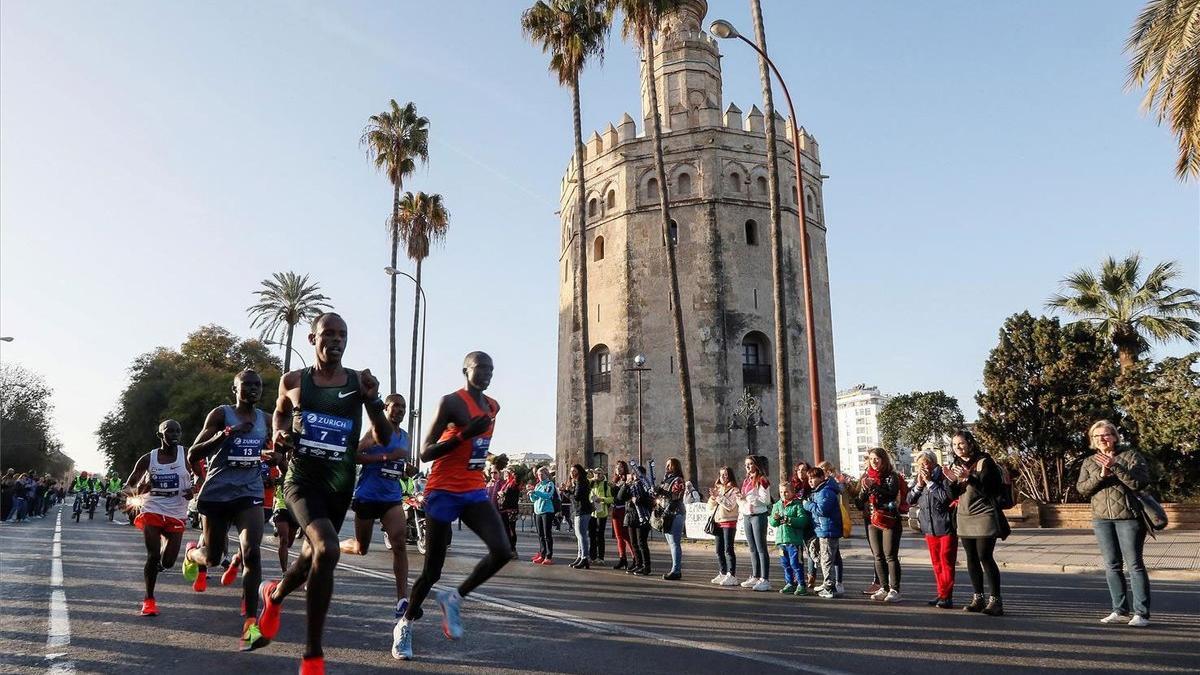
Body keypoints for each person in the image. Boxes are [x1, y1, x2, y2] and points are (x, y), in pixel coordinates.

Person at [255, 313, 393, 675]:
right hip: (301, 481)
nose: (336, 340)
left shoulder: (357, 382)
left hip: (339, 485)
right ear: (312, 338)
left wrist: (373, 400)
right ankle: (313, 653)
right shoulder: (293, 381)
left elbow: (384, 438)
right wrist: (280, 434)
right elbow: (279, 416)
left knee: (308, 559)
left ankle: (274, 596)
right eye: (328, 333)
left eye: (342, 335)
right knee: (328, 547)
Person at [395, 351, 514, 661]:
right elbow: (424, 453)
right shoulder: (451, 402)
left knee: (502, 550)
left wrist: (482, 456)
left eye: (491, 368)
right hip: (443, 491)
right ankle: (405, 624)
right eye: (480, 367)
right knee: (432, 570)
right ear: (466, 370)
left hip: (473, 489)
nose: (487, 373)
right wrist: (464, 435)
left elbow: (479, 446)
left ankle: (454, 598)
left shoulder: (493, 406)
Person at [183, 369, 276, 650]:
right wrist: (225, 435)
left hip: (249, 492)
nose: (252, 389)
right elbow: (193, 453)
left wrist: (276, 455)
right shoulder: (221, 415)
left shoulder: (266, 420)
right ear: (234, 388)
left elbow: (279, 448)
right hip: (217, 493)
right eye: (246, 385)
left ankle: (250, 624)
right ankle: (191, 554)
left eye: (256, 385)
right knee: (212, 557)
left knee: (252, 551)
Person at [337, 392, 415, 655]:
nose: (400, 410)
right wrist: (385, 457)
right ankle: (336, 546)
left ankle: (402, 599)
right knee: (361, 548)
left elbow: (398, 463)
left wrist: (406, 469)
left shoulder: (404, 435)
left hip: (392, 497)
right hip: (368, 495)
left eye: (404, 407)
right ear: (386, 408)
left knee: (400, 543)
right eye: (396, 407)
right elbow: (354, 456)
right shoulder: (374, 432)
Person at [1077, 420, 1152, 627]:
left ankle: (1141, 614)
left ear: (1115, 437)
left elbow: (1140, 482)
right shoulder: (1089, 462)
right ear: (1092, 440)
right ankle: (1119, 610)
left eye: (1106, 435)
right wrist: (1101, 475)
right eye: (1097, 436)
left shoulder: (1131, 456)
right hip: (1102, 519)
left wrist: (1115, 467)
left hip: (1129, 518)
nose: (1102, 439)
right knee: (1112, 565)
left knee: (1135, 565)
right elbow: (1082, 489)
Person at [124, 420, 195, 616]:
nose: (174, 434)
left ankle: (189, 554)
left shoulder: (187, 455)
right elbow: (128, 487)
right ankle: (149, 600)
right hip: (152, 508)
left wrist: (195, 489)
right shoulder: (148, 459)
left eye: (178, 431)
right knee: (153, 555)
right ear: (160, 435)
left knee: (168, 562)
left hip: (177, 510)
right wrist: (140, 489)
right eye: (169, 431)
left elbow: (203, 476)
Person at [948, 429, 1005, 616]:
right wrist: (952, 482)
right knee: (971, 558)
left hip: (983, 515)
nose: (958, 447)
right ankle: (978, 597)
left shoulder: (984, 462)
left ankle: (996, 601)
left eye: (961, 443)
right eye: (955, 445)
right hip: (964, 516)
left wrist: (969, 477)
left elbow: (991, 490)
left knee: (985, 556)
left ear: (970, 443)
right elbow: (952, 495)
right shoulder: (955, 464)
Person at [909, 450, 957, 608]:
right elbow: (909, 499)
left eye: (926, 462)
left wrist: (930, 482)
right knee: (936, 563)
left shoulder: (941, 476)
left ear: (933, 462)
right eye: (920, 463)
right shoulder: (919, 479)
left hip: (945, 526)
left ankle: (946, 596)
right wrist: (919, 485)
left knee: (946, 562)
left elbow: (945, 498)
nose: (923, 466)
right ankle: (941, 593)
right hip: (929, 527)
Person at [860, 447, 904, 603]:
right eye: (871, 459)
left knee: (890, 555)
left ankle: (894, 589)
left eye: (877, 458)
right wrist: (864, 490)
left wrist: (873, 486)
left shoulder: (891, 476)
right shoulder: (866, 477)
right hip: (873, 521)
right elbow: (859, 503)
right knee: (878, 556)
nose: (874, 461)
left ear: (884, 459)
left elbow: (891, 494)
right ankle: (883, 587)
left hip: (889, 519)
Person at [803, 466, 844, 598]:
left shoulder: (825, 491)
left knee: (827, 559)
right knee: (824, 557)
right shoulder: (820, 491)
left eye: (813, 478)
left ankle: (829, 586)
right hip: (823, 530)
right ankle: (828, 583)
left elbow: (822, 510)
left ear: (821, 478)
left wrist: (807, 505)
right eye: (809, 478)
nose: (810, 481)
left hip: (828, 530)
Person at [769, 481, 810, 595]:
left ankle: (801, 584)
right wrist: (776, 519)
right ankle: (790, 583)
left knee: (796, 563)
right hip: (782, 541)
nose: (784, 494)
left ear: (792, 492)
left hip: (794, 541)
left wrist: (789, 520)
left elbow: (803, 520)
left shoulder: (797, 504)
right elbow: (772, 522)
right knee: (785, 564)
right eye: (781, 492)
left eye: (786, 492)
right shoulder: (777, 505)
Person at [738, 455, 772, 591]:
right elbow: (744, 498)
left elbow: (766, 500)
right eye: (746, 464)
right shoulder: (746, 480)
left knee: (761, 547)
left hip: (758, 515)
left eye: (750, 464)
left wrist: (750, 498)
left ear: (756, 465)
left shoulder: (762, 480)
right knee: (752, 548)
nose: (747, 466)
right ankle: (755, 575)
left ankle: (765, 578)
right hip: (747, 515)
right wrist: (741, 500)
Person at [617, 463, 653, 576]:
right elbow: (620, 497)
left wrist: (638, 499)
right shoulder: (631, 485)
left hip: (643, 517)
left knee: (642, 543)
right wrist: (626, 485)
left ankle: (646, 566)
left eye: (637, 474)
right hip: (631, 516)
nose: (635, 476)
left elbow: (649, 501)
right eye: (634, 473)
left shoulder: (646, 486)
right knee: (634, 543)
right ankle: (638, 564)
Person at [707, 466, 740, 586]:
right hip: (718, 521)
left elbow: (730, 505)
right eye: (721, 475)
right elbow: (709, 507)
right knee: (718, 550)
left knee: (728, 549)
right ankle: (723, 571)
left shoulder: (734, 490)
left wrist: (719, 497)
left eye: (726, 475)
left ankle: (732, 574)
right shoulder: (718, 488)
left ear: (730, 476)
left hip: (729, 521)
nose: (723, 477)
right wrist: (713, 498)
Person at [655, 458, 686, 581]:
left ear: (675, 467)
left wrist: (662, 491)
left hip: (675, 513)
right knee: (670, 542)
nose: (667, 467)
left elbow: (676, 497)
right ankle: (674, 568)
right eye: (666, 465)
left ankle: (676, 570)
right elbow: (662, 495)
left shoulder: (678, 480)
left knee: (674, 543)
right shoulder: (666, 479)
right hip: (666, 513)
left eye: (670, 465)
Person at [567, 464, 593, 569]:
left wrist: (567, 492)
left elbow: (576, 497)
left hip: (583, 511)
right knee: (579, 536)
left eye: (574, 471)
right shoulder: (578, 482)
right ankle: (580, 556)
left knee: (582, 536)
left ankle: (584, 558)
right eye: (571, 471)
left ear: (579, 471)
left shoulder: (581, 482)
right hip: (579, 510)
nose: (572, 473)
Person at [530, 467, 557, 564]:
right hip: (538, 511)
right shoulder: (537, 485)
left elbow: (547, 495)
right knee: (540, 535)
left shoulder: (550, 484)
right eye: (538, 475)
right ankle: (542, 554)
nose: (540, 476)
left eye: (542, 474)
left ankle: (548, 556)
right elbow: (534, 499)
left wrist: (536, 492)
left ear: (546, 474)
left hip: (547, 511)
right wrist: (531, 494)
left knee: (547, 535)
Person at [609, 461, 633, 570]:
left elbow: (625, 495)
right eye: (617, 467)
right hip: (615, 509)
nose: (618, 469)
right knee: (619, 536)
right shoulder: (615, 480)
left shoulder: (627, 480)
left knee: (626, 535)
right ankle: (622, 558)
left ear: (624, 468)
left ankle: (635, 557)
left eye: (621, 467)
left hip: (624, 509)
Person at [588, 468, 614, 565]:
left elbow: (611, 499)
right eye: (595, 473)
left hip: (602, 513)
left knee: (600, 536)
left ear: (603, 474)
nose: (597, 475)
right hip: (592, 513)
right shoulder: (592, 484)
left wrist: (602, 499)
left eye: (599, 473)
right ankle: (592, 556)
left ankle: (601, 557)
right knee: (592, 536)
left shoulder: (607, 485)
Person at [497, 467, 520, 557]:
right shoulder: (506, 483)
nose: (505, 475)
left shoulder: (513, 483)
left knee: (511, 529)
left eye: (507, 473)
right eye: (505, 473)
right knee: (506, 530)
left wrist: (502, 493)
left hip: (511, 510)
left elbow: (511, 495)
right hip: (504, 509)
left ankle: (513, 549)